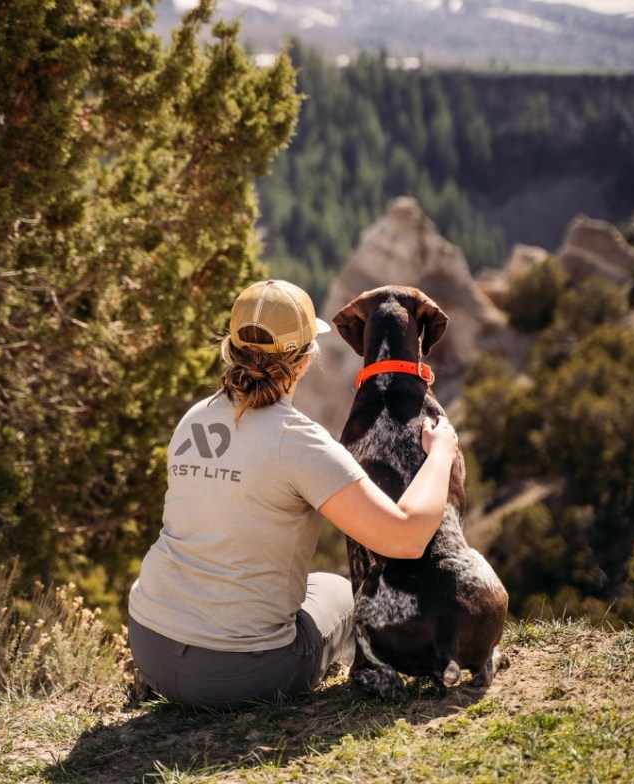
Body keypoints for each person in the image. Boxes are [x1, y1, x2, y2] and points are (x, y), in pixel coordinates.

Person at [128, 278, 459, 708]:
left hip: (149, 643)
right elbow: (406, 538)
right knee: (338, 591)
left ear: (231, 348)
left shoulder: (195, 418)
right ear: (304, 360)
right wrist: (441, 452)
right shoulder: (299, 442)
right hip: (238, 676)